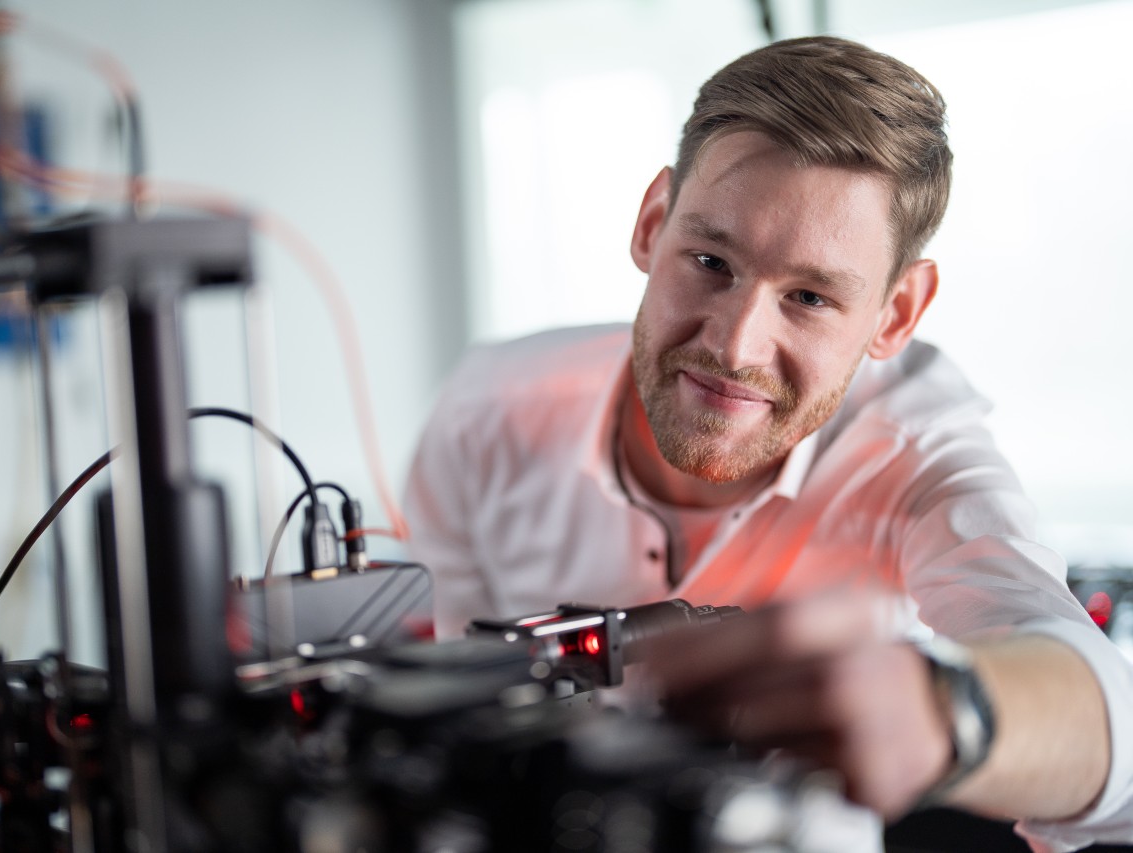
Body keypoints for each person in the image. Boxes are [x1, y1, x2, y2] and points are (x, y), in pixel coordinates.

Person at [403, 35, 1133, 850]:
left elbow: (1110, 723)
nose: (736, 347)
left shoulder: (917, 450)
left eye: (811, 297)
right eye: (711, 260)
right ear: (653, 223)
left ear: (895, 315)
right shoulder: (486, 411)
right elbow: (456, 714)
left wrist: (952, 709)